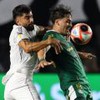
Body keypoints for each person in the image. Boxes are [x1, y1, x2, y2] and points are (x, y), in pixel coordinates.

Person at [2, 4, 62, 100]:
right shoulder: (18, 30)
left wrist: (61, 28)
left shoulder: (33, 28)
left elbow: (46, 29)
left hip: (12, 83)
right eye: (27, 18)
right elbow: (27, 47)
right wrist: (48, 42)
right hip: (21, 81)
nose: (31, 20)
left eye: (31, 16)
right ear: (18, 21)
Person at [37, 5, 95, 100]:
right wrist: (42, 59)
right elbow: (42, 47)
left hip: (84, 84)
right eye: (67, 21)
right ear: (57, 22)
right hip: (73, 84)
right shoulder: (51, 35)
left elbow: (69, 52)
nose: (70, 24)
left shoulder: (64, 38)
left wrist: (81, 54)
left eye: (71, 22)